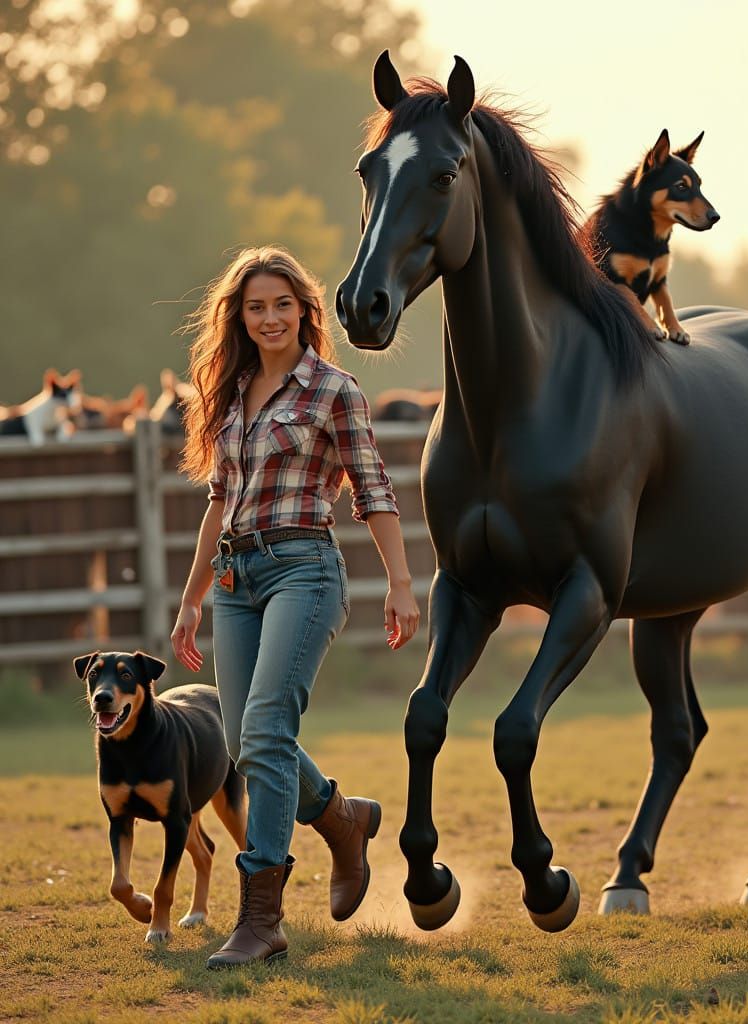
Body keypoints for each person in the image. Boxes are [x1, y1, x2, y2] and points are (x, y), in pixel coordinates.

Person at [170, 246, 420, 969]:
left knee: (265, 727)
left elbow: (374, 491)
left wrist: (401, 583)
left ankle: (262, 918)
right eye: (256, 307)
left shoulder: (333, 390)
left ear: (306, 312)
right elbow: (221, 500)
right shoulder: (232, 390)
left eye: (283, 304)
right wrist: (191, 601)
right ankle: (343, 820)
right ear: (239, 317)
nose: (270, 317)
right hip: (234, 580)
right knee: (248, 742)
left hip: (304, 571)